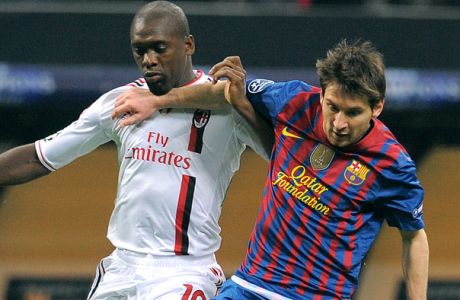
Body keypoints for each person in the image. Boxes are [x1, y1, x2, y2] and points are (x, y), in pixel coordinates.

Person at [112, 40, 429, 299]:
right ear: (321, 93)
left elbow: (414, 237)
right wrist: (156, 100)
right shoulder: (293, 101)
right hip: (250, 283)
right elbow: (223, 93)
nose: (339, 123)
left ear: (377, 107)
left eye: (353, 112)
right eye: (332, 106)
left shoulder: (392, 163)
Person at [0, 1, 271, 299]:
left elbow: (281, 156)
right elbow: (38, 156)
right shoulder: (120, 101)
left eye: (159, 48)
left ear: (188, 45)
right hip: (120, 268)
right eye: (140, 50)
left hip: (183, 272)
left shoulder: (227, 104)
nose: (149, 60)